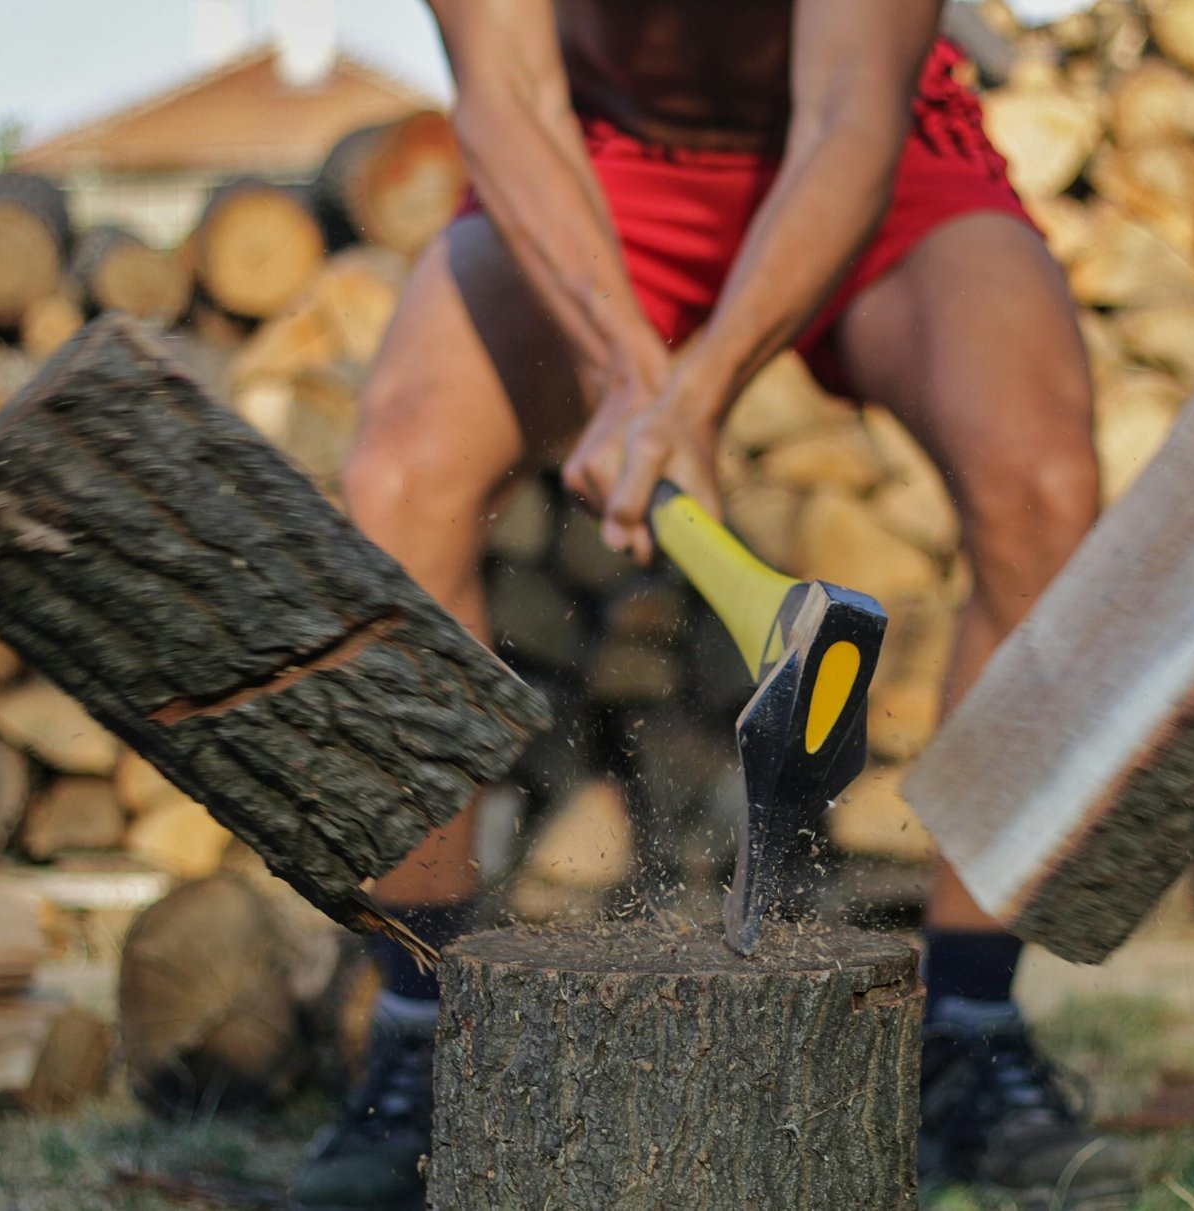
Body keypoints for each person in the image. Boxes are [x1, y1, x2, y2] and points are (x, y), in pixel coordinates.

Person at [289, 2, 1142, 1208]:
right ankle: (422, 1035)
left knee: (1039, 484)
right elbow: (508, 97)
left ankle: (967, 1028)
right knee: (401, 473)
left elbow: (851, 114)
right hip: (598, 157)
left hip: (871, 157)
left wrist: (697, 392)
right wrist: (637, 377)